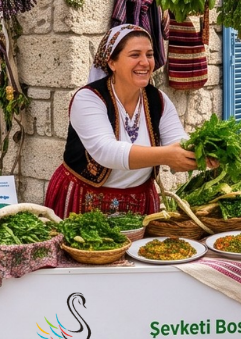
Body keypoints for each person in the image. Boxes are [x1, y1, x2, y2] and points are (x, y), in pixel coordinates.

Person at [45, 24, 194, 218]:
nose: (145, 62)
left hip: (139, 203)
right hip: (85, 201)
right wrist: (167, 155)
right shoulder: (89, 98)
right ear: (112, 63)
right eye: (135, 55)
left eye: (149, 54)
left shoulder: (158, 100)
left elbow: (178, 141)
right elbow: (106, 151)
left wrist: (201, 154)